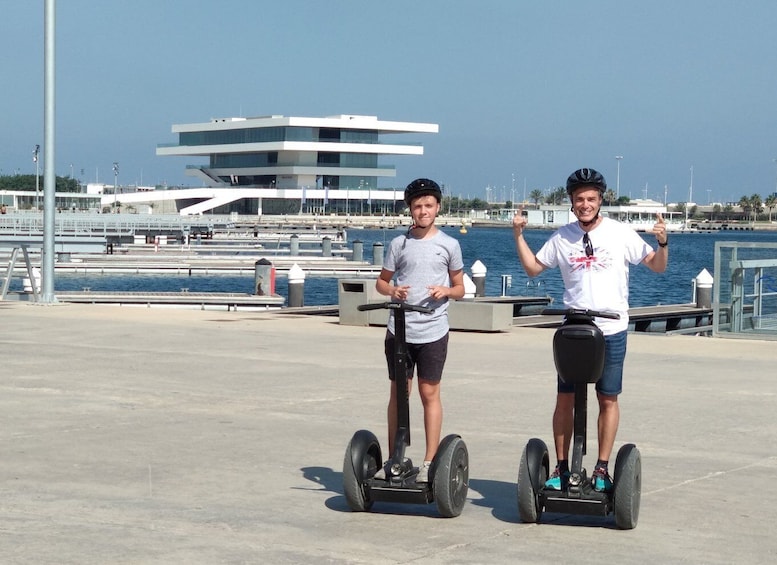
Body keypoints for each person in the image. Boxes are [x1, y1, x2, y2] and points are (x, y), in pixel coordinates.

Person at [512, 167, 668, 492]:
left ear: (600, 200)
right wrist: (518, 236)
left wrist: (663, 243)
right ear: (572, 202)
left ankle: (601, 468)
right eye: (579, 199)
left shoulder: (620, 233)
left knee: (607, 398)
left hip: (611, 329)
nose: (585, 204)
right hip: (575, 330)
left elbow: (657, 265)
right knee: (564, 399)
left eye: (591, 198)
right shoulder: (562, 237)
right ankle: (561, 467)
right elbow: (532, 269)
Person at [373, 178, 465, 483]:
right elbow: (382, 282)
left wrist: (446, 291)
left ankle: (429, 461)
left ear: (437, 207)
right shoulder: (399, 244)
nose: (423, 211)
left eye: (428, 205)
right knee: (399, 393)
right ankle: (394, 459)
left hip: (433, 330)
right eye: (417, 206)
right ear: (410, 210)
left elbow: (461, 288)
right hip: (399, 329)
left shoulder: (449, 245)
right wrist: (393, 291)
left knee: (429, 392)